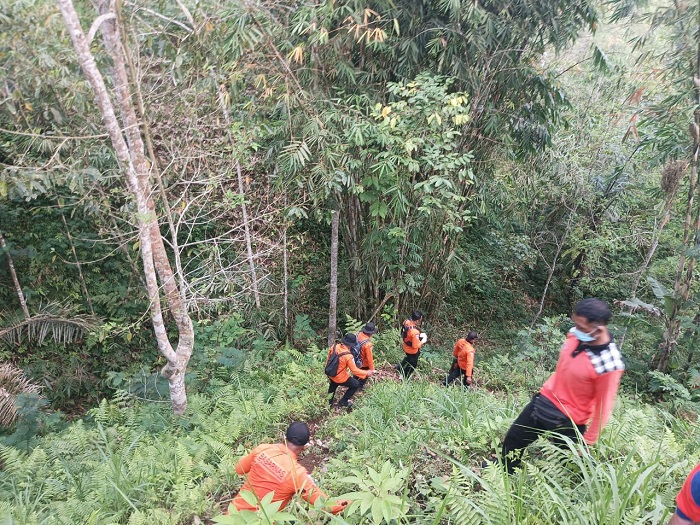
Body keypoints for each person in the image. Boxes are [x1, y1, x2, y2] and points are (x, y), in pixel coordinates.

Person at [499, 298, 624, 474]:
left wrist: (588, 441)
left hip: (569, 420)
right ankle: (504, 471)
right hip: (544, 401)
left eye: (582, 327)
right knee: (514, 439)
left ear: (599, 329)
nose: (576, 330)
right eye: (575, 324)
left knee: (572, 467)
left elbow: (604, 407)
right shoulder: (575, 334)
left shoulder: (609, 364)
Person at [227, 422, 348, 515]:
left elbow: (239, 469)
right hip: (262, 520)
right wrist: (350, 502)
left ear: (284, 437)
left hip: (232, 515)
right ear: (305, 447)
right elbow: (323, 504)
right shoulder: (298, 475)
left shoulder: (262, 449)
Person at [327, 333, 373, 409]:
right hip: (340, 377)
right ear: (351, 345)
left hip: (330, 373)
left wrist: (328, 371)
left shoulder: (334, 347)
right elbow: (354, 371)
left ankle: (329, 402)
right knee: (355, 384)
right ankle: (343, 402)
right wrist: (367, 373)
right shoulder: (348, 356)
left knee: (333, 385)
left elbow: (328, 360)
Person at [398, 310, 427, 378]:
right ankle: (404, 375)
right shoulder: (414, 332)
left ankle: (399, 367)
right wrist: (423, 340)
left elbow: (407, 333)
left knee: (408, 358)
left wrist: (419, 335)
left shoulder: (406, 322)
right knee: (413, 364)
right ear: (417, 321)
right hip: (412, 350)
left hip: (405, 345)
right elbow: (415, 345)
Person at [356, 322, 377, 390]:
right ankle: (359, 386)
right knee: (365, 375)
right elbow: (369, 358)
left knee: (356, 373)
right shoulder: (368, 344)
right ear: (371, 333)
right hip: (363, 362)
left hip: (356, 359)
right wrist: (371, 369)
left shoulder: (358, 334)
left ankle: (354, 384)